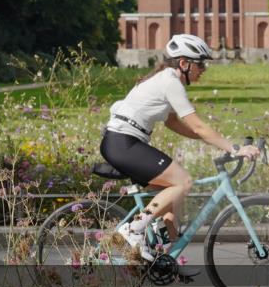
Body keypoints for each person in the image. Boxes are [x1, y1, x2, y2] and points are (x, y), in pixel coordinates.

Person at [101, 34, 260, 261]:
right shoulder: (170, 82)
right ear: (184, 64)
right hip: (123, 143)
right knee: (183, 181)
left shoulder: (165, 79)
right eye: (200, 63)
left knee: (171, 190)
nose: (203, 69)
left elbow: (173, 123)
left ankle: (165, 255)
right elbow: (197, 126)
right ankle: (133, 229)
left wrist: (211, 141)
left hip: (121, 142)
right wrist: (235, 149)